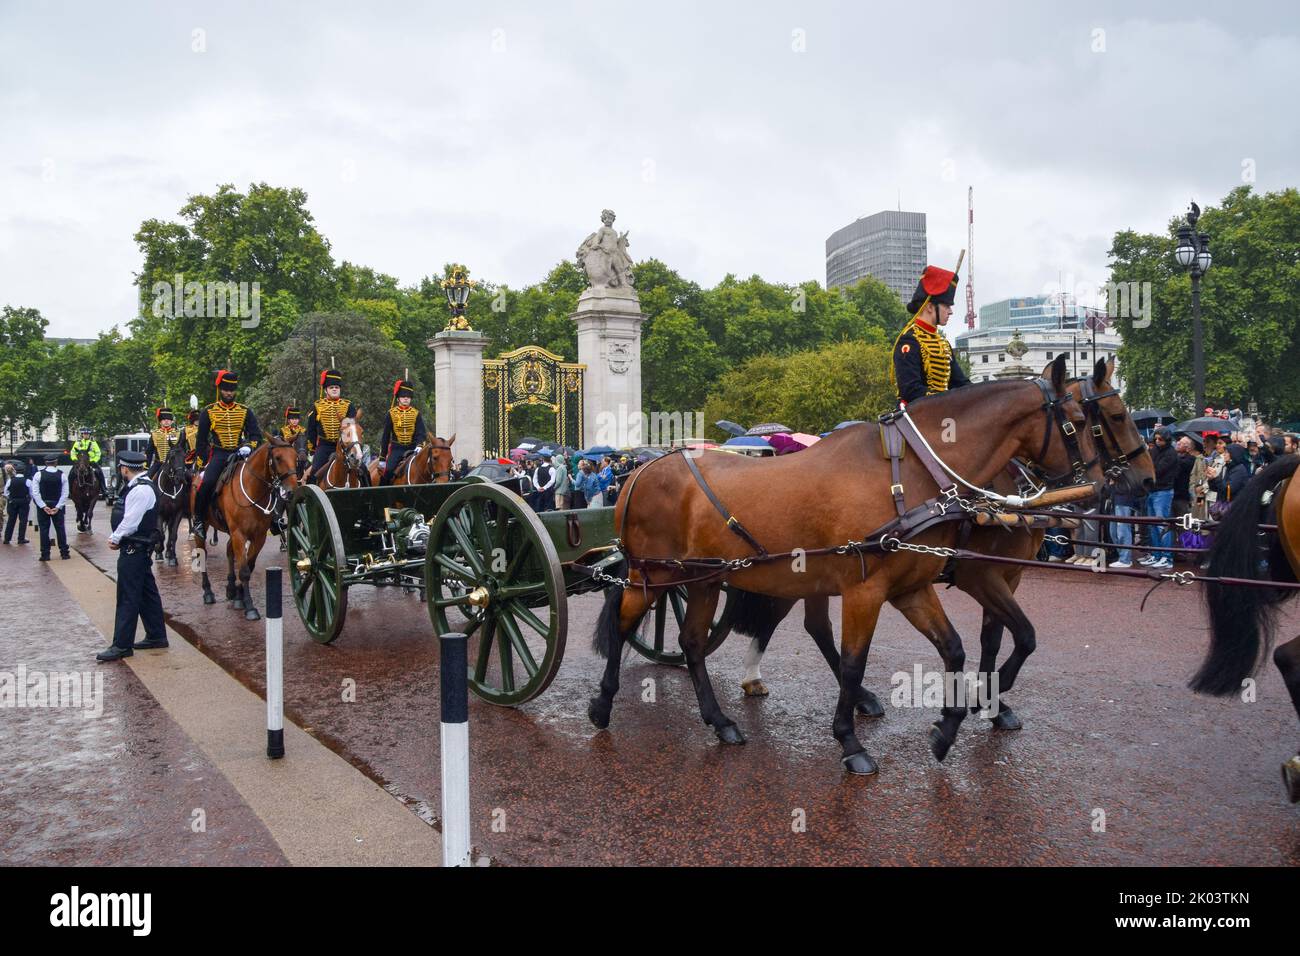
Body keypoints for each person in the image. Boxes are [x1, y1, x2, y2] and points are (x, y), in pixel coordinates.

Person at [97, 450, 167, 662]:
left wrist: (115, 537)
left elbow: (131, 521)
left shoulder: (140, 490)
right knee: (147, 594)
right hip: (138, 549)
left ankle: (121, 645)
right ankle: (156, 635)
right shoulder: (140, 486)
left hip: (133, 548)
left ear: (124, 468)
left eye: (121, 469)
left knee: (127, 597)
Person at [192, 370, 261, 540]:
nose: (229, 392)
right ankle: (199, 520)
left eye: (231, 389)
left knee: (263, 480)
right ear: (220, 390)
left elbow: (256, 436)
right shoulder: (208, 411)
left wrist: (248, 446)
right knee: (206, 483)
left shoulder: (245, 411)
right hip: (220, 454)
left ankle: (272, 518)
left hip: (241, 454)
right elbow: (201, 441)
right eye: (225, 389)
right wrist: (202, 461)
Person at [890, 264, 970, 407]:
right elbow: (910, 390)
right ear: (929, 307)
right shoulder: (909, 341)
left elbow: (961, 384)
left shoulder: (943, 344)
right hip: (916, 415)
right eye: (946, 306)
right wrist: (947, 400)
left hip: (943, 411)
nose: (950, 312)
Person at [305, 369, 358, 483]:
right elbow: (311, 430)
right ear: (325, 390)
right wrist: (312, 449)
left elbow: (353, 428)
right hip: (325, 446)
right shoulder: (317, 406)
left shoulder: (348, 405)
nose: (334, 389)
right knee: (314, 472)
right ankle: (310, 499)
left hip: (345, 446)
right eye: (331, 387)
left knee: (362, 470)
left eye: (337, 387)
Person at [1141, 427, 1178, 569]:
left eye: (1160, 439)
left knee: (1162, 525)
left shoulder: (1171, 454)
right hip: (1153, 490)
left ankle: (1166, 557)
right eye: (1156, 439)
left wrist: (1148, 468)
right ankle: (1156, 554)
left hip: (1163, 491)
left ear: (1167, 439)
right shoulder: (1155, 450)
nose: (1157, 441)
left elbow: (1157, 470)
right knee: (1152, 525)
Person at [378, 379, 426, 485]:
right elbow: (385, 437)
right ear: (398, 398)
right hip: (397, 449)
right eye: (403, 396)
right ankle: (383, 495)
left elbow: (421, 433)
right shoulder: (391, 413)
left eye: (408, 397)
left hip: (413, 448)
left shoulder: (416, 414)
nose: (406, 398)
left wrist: (419, 445)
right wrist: (382, 457)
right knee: (389, 471)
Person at [30, 454, 70, 561]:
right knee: (60, 529)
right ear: (56, 462)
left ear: (45, 463)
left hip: (43, 505)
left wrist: (43, 506)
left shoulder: (38, 475)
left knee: (44, 529)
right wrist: (58, 506)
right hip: (57, 504)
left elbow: (35, 493)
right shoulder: (62, 475)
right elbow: (65, 493)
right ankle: (64, 553)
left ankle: (45, 554)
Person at [68, 426, 107, 499]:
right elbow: (73, 452)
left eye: (87, 434)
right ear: (82, 435)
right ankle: (70, 491)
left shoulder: (93, 443)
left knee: (99, 472)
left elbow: (98, 453)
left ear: (89, 435)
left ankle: (104, 489)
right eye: (84, 434)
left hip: (91, 462)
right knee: (71, 474)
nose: (86, 435)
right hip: (80, 463)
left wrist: (94, 460)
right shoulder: (78, 443)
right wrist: (75, 459)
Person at [145, 407, 181, 480]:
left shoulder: (178, 433)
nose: (166, 421)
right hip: (159, 464)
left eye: (168, 419)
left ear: (171, 421)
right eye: (164, 419)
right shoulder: (154, 434)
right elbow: (149, 452)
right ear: (160, 421)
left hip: (175, 464)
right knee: (146, 479)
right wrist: (146, 466)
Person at [4, 463, 31, 545]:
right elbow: (31, 493)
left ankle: (7, 538)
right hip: (23, 502)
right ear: (24, 471)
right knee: (23, 521)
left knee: (11, 520)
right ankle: (21, 538)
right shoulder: (28, 481)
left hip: (13, 502)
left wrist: (10, 498)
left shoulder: (10, 480)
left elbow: (6, 492)